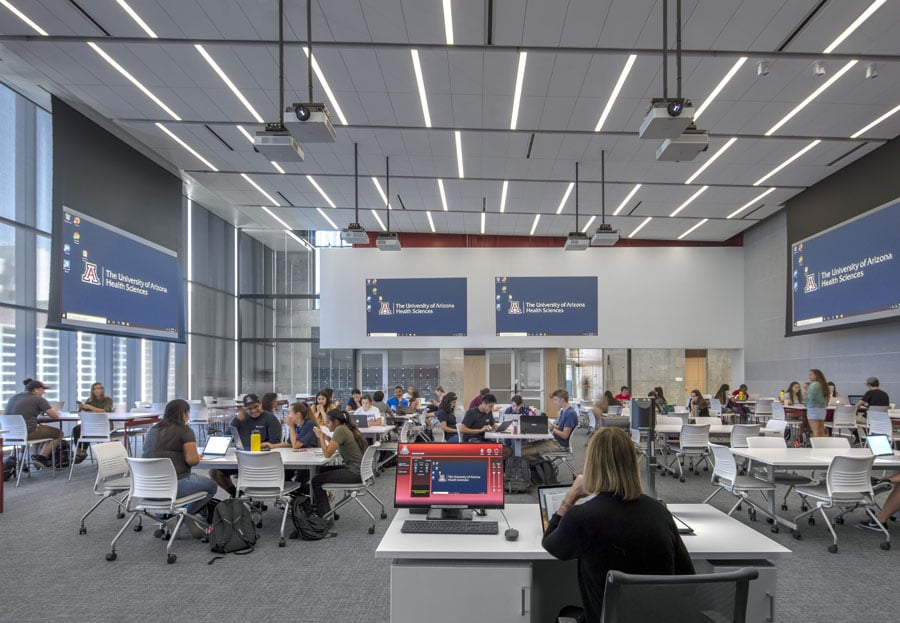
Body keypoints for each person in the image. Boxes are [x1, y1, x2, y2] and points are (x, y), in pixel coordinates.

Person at [542, 427, 694, 621]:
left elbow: (551, 544)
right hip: (659, 619)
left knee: (566, 613)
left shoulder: (582, 516)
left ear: (592, 465)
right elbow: (688, 584)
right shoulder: (659, 511)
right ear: (632, 463)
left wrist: (570, 499)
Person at [141, 399, 217, 536]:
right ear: (184, 414)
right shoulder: (185, 431)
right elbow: (192, 460)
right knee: (211, 486)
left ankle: (170, 516)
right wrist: (197, 456)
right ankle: (182, 517)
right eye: (188, 413)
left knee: (192, 481)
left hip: (147, 487)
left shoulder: (152, 430)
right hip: (173, 486)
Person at [209, 393, 285, 497]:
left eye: (256, 407)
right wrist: (236, 420)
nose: (253, 410)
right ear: (245, 409)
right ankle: (237, 495)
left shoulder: (271, 419)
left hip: (263, 462)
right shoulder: (241, 419)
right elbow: (226, 437)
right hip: (242, 460)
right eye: (249, 408)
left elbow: (275, 442)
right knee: (215, 472)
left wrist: (264, 445)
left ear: (261, 404)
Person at [311, 409, 368, 517]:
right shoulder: (345, 428)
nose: (326, 425)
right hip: (360, 470)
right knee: (320, 470)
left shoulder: (340, 430)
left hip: (354, 472)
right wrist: (326, 437)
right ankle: (323, 504)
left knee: (316, 481)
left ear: (336, 422)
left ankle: (324, 515)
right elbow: (337, 443)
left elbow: (327, 454)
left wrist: (321, 438)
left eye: (328, 422)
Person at [4, 378, 63, 468]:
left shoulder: (13, 397)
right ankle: (41, 458)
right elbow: (54, 416)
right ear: (36, 390)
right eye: (42, 390)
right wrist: (57, 412)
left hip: (9, 433)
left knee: (41, 430)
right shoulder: (38, 399)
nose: (44, 392)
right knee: (59, 434)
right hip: (28, 432)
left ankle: (26, 457)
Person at [522, 389, 578, 463]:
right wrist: (549, 423)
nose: (554, 402)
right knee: (523, 447)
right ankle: (542, 466)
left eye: (555, 400)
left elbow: (565, 435)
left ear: (562, 399)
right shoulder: (563, 411)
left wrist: (550, 428)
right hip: (554, 441)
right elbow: (560, 428)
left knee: (522, 452)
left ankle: (543, 466)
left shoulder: (570, 414)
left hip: (560, 445)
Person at [73, 381, 114, 463]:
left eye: (99, 388)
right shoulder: (89, 400)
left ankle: (83, 451)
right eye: (95, 389)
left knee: (86, 429)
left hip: (104, 426)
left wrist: (90, 407)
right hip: (91, 424)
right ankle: (81, 451)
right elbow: (85, 412)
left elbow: (105, 411)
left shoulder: (108, 400)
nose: (97, 390)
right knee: (77, 429)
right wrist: (82, 407)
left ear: (102, 390)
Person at [805, 369, 830, 438]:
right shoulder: (823, 384)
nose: (809, 376)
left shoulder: (813, 384)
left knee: (815, 431)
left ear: (816, 375)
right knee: (821, 430)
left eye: (811, 374)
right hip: (822, 409)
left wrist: (805, 400)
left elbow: (810, 397)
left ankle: (816, 447)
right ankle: (823, 446)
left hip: (813, 408)